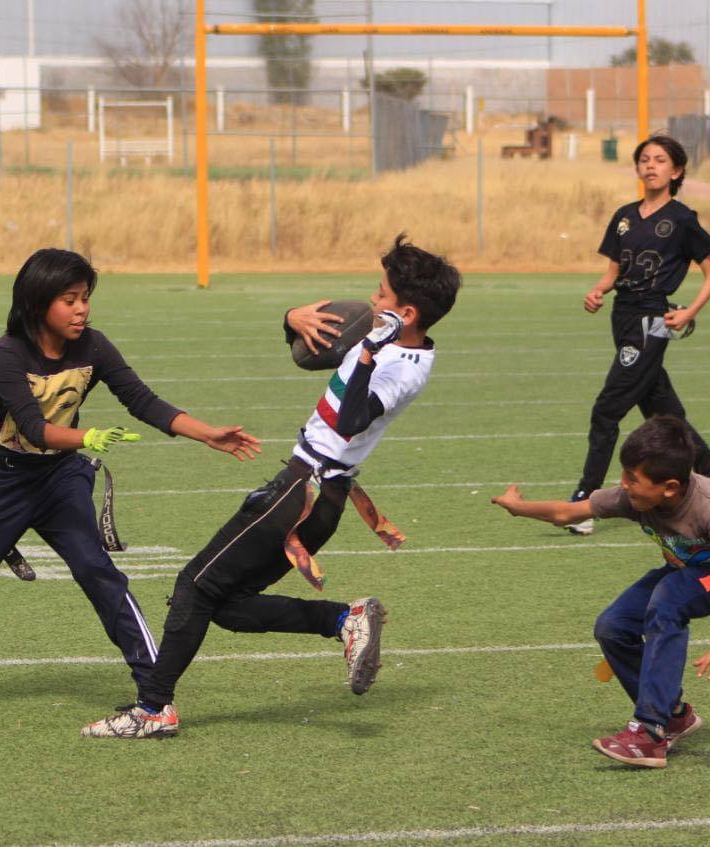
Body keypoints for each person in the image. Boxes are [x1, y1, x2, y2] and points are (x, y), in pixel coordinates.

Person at [81, 234, 462, 739]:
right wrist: (291, 319)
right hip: (314, 490)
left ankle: (153, 708)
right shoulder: (387, 344)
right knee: (227, 605)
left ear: (406, 314)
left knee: (194, 585)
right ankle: (343, 619)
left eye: (382, 294)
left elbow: (351, 421)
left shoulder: (401, 367)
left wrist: (370, 349)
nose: (372, 300)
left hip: (304, 492)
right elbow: (310, 352)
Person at [0, 248, 261, 720]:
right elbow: (34, 429)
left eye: (85, 297)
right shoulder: (8, 353)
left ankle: (153, 692)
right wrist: (87, 436)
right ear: (37, 303)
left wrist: (207, 433)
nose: (81, 309)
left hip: (59, 478)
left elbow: (142, 400)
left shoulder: (94, 346)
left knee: (99, 573)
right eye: (69, 300)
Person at [492, 415, 710, 768]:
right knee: (613, 626)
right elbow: (567, 513)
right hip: (684, 569)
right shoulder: (634, 497)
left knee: (667, 602)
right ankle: (674, 715)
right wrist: (518, 508)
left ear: (669, 487)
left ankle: (649, 732)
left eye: (632, 479)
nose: (624, 485)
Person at [566, 134, 710, 536]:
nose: (651, 165)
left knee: (606, 410)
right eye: (645, 159)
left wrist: (689, 312)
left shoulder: (682, 219)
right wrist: (598, 291)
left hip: (652, 319)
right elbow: (614, 272)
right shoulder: (624, 216)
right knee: (663, 413)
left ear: (676, 171)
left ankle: (585, 502)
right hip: (623, 316)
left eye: (660, 160)